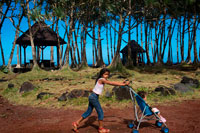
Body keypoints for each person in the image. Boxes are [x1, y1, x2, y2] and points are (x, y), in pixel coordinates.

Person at [72, 68, 130, 133]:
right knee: (100, 113)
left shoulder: (101, 79)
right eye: (105, 74)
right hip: (94, 97)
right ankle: (100, 129)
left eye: (108, 74)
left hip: (92, 96)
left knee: (88, 112)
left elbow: (111, 82)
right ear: (102, 74)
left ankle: (76, 123)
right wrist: (123, 84)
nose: (107, 76)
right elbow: (111, 83)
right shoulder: (102, 79)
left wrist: (122, 83)